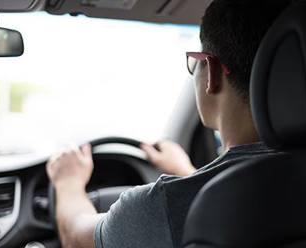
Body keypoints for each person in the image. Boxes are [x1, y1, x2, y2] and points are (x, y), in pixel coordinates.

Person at [46, 0, 288, 247]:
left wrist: (68, 183)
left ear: (212, 73)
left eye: (195, 61)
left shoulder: (164, 204)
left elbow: (75, 236)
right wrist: (186, 171)